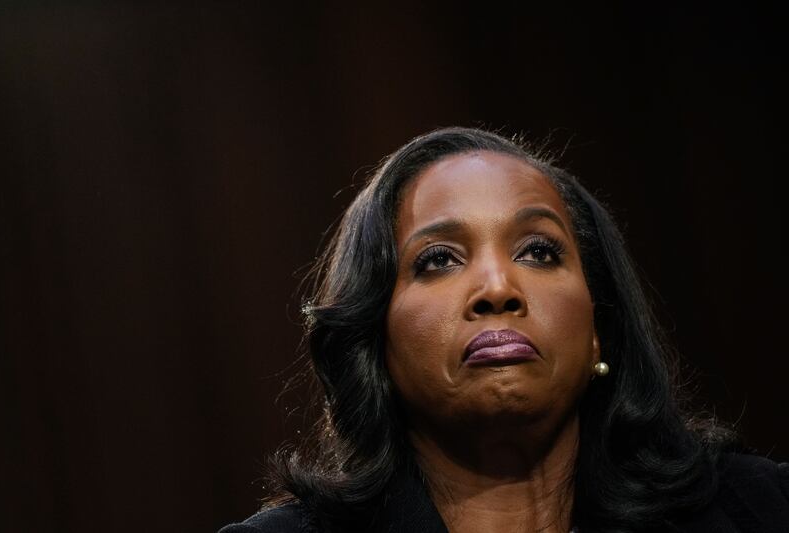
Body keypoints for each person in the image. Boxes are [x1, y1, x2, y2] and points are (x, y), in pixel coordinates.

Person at [220, 128, 789, 532]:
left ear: (599, 326)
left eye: (538, 252)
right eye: (438, 260)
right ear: (374, 338)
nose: (497, 287)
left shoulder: (760, 508)